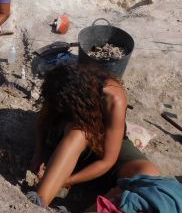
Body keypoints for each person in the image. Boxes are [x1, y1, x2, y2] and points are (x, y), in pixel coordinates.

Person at [28, 64, 160, 208]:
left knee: (148, 174)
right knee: (80, 132)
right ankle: (38, 202)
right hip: (70, 138)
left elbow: (107, 160)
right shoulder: (61, 86)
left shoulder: (113, 97)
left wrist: (67, 181)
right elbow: (43, 120)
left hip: (102, 142)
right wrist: (39, 152)